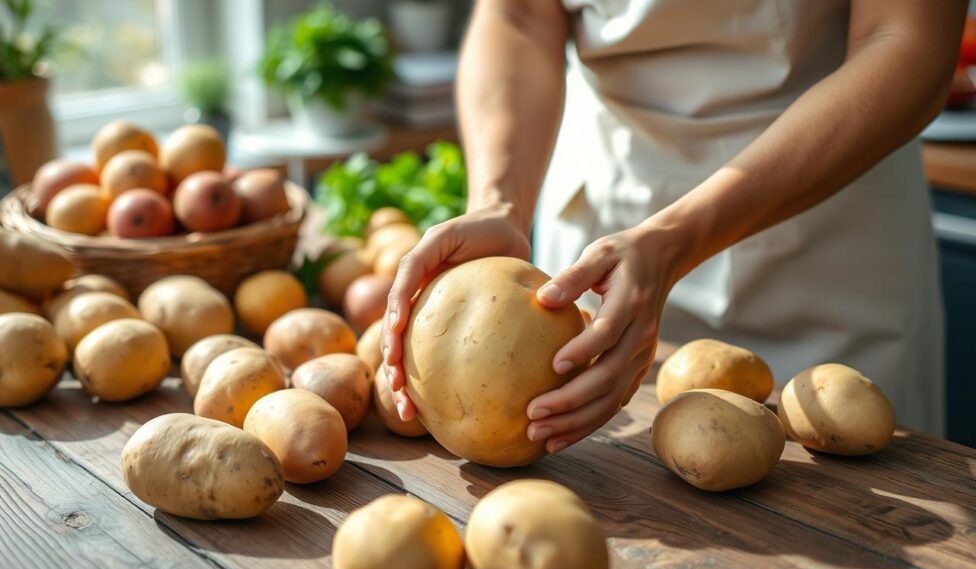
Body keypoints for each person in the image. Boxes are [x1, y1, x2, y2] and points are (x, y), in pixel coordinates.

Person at [381, 0, 967, 453]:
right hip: (599, 239)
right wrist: (498, 201)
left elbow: (907, 41)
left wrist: (675, 240)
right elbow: (518, 16)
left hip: (826, 233)